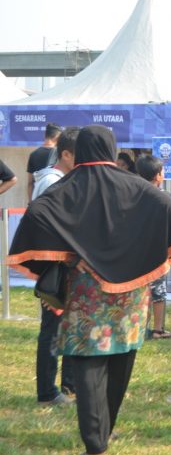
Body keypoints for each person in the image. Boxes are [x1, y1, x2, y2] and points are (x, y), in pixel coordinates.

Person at [8, 125, 171, 455]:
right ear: (111, 148)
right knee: (121, 357)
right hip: (131, 293)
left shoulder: (65, 187)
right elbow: (167, 205)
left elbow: (37, 212)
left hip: (85, 290)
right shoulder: (138, 187)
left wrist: (68, 254)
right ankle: (102, 433)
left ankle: (96, 446)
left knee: (86, 361)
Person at [31, 126, 79, 407]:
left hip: (63, 265)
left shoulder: (60, 178)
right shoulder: (52, 181)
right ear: (66, 154)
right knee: (52, 328)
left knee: (68, 325)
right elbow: (47, 228)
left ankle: (69, 385)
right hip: (54, 266)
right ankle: (47, 392)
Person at [135, 155, 171, 340]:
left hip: (136, 248)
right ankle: (158, 329)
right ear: (158, 175)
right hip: (157, 249)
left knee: (140, 288)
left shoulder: (133, 193)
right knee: (158, 290)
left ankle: (140, 327)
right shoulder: (163, 197)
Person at [26, 122, 61, 201]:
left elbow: (30, 183)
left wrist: (30, 202)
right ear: (57, 137)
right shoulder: (61, 154)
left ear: (45, 136)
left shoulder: (33, 154)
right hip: (55, 198)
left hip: (38, 197)